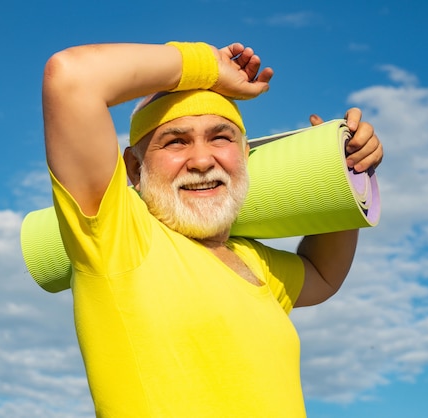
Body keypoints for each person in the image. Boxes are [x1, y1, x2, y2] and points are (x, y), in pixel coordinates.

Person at [42, 40, 383, 417]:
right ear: (135, 169)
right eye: (175, 142)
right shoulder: (116, 238)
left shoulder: (251, 262)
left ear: (244, 154)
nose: (202, 160)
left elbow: (322, 276)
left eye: (221, 137)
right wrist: (209, 65)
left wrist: (341, 170)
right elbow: (72, 77)